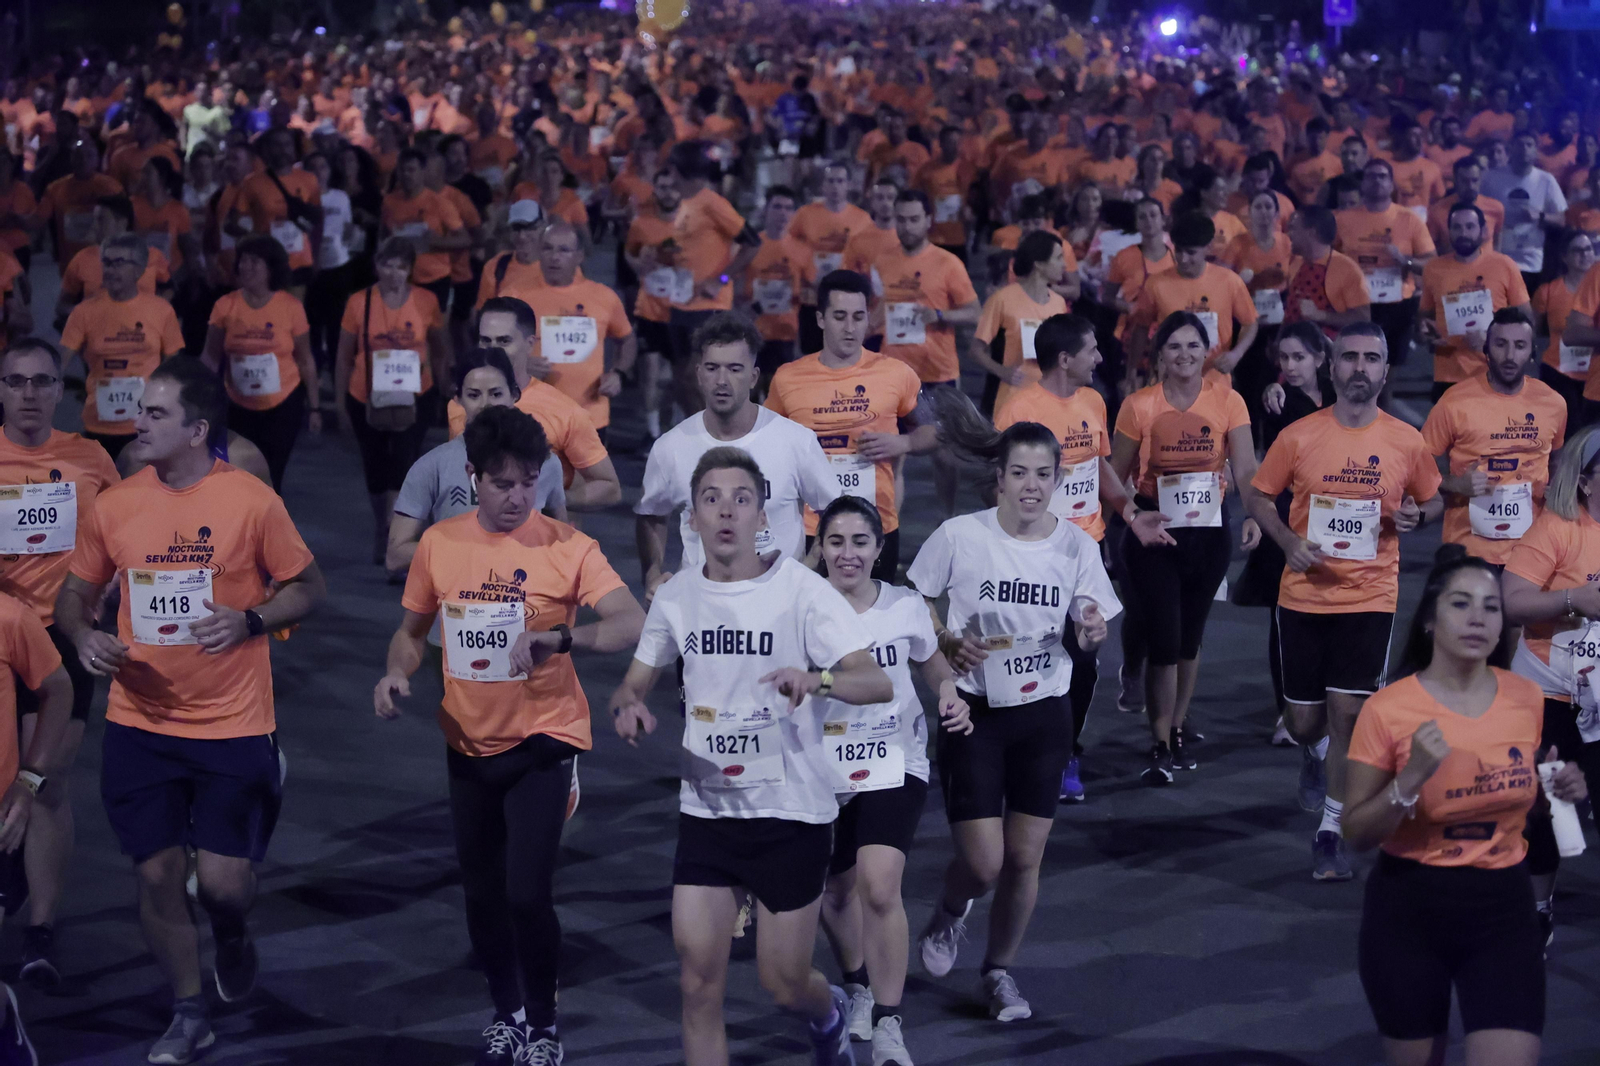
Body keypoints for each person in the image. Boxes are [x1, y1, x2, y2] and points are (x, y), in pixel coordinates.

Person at [53, 358, 326, 1064]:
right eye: (140, 410)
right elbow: (74, 594)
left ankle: (231, 933)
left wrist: (250, 620)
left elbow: (307, 586)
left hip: (232, 724)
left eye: (156, 414)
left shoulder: (250, 501)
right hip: (139, 724)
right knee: (155, 876)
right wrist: (84, 636)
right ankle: (187, 1009)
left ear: (198, 430)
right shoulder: (116, 505)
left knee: (225, 890)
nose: (137, 422)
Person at [376, 404, 645, 1066]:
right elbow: (410, 632)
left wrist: (562, 638)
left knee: (527, 893)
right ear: (473, 477)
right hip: (469, 742)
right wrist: (395, 673)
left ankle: (546, 1028)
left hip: (544, 739)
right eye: (502, 484)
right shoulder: (440, 544)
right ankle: (509, 1014)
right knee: (482, 894)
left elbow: (631, 621)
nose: (517, 497)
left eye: (529, 482)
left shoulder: (568, 547)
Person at [609, 446, 893, 1066]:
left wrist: (815, 680)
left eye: (741, 499)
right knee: (696, 985)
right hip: (708, 814)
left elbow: (876, 682)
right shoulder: (677, 598)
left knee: (783, 983)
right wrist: (629, 705)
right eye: (711, 499)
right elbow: (634, 683)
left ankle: (827, 1016)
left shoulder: (803, 592)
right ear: (692, 518)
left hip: (791, 815)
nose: (726, 511)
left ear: (762, 515)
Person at [909, 403, 1119, 1022]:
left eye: (1043, 474)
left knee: (1025, 858)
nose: (1031, 486)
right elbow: (914, 600)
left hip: (1044, 714)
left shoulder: (1075, 545)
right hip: (975, 713)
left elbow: (1092, 624)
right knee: (983, 863)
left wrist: (1091, 633)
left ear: (1059, 479)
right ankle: (950, 911)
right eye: (1019, 473)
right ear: (999, 478)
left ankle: (998, 973)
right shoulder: (960, 536)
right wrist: (945, 641)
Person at [1344, 547, 1584, 1066]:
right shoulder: (1388, 709)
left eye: (1491, 607)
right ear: (1429, 620)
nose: (1478, 618)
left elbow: (1520, 804)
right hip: (1410, 910)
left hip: (1503, 909)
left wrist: (1555, 791)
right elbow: (1356, 833)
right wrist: (1410, 779)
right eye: (1460, 604)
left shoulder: (1525, 698)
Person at [1244, 321, 1444, 881]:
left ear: (1385, 370)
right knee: (1306, 722)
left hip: (1371, 595)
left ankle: (1330, 829)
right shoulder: (1299, 436)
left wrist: (1418, 516)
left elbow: (1432, 501)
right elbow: (1258, 495)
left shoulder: (1406, 440)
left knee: (1350, 713)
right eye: (1350, 357)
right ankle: (1313, 753)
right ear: (1332, 368)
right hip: (1304, 596)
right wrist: (1287, 542)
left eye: (1371, 358)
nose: (1360, 367)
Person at [812, 494, 972, 1066]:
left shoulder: (904, 605)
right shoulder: (800, 606)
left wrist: (950, 693)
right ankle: (856, 984)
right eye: (835, 542)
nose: (847, 554)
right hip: (824, 767)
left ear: (879, 549)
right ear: (819, 548)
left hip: (893, 757)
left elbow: (931, 662)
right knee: (835, 891)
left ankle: (887, 1022)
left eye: (860, 542)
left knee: (880, 886)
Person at [993, 313, 1171, 798]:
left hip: (1085, 552)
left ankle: (1065, 751)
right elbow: (999, 488)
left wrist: (1131, 513)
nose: (1099, 357)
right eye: (1092, 349)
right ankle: (1023, 751)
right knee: (1032, 655)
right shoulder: (1020, 410)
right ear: (1064, 359)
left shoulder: (1093, 400)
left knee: (1084, 660)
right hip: (1034, 556)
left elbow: (1099, 466)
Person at [0, 338, 120, 989]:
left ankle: (40, 930)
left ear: (58, 389)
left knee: (45, 781)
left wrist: (113, 588)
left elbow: (124, 534)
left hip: (63, 636)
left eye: (42, 381)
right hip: (1, 637)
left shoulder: (90, 457)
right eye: (16, 381)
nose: (29, 393)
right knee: (9, 778)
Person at [1114, 311, 1260, 783]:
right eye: (1174, 346)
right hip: (1154, 532)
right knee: (1164, 637)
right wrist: (1131, 516)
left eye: (1193, 346)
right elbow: (1114, 476)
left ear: (1207, 351)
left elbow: (1246, 469)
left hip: (1208, 534)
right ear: (1160, 355)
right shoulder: (1139, 405)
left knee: (1190, 638)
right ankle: (1158, 742)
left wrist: (1254, 513)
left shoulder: (1229, 401)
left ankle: (1176, 727)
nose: (1185, 355)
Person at [636, 314, 838, 604]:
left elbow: (835, 512)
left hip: (779, 606)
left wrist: (809, 568)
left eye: (734, 369)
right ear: (699, 374)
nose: (722, 381)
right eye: (712, 368)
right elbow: (651, 515)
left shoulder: (796, 441)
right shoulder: (670, 447)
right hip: (700, 605)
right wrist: (652, 572)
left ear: (753, 377)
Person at [765, 270, 934, 582]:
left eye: (858, 317)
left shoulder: (897, 373)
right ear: (820, 319)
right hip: (811, 529)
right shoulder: (787, 378)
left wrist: (905, 443)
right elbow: (763, 444)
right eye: (839, 316)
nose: (849, 327)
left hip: (875, 526)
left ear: (869, 318)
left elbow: (935, 430)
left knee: (873, 611)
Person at [1501, 424, 1600, 945]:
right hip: (1549, 694)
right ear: (1585, 482)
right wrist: (1572, 600)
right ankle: (1538, 907)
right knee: (1548, 808)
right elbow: (1512, 600)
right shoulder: (1558, 529)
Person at [389, 344, 567, 572]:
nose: (485, 405)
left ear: (514, 394)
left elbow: (561, 544)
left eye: (496, 394)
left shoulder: (546, 463)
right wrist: (474, 553)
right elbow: (396, 555)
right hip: (455, 592)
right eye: (474, 395)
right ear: (458, 398)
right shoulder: (432, 466)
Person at [335, 236, 451, 563]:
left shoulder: (427, 301)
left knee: (403, 461)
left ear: (410, 269)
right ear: (376, 266)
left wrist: (445, 388)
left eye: (401, 266)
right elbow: (344, 357)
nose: (394, 273)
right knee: (375, 466)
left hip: (416, 396)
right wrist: (341, 405)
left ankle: (393, 533)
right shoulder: (359, 302)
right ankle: (381, 525)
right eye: (388, 265)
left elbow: (440, 349)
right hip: (366, 395)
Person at [1246, 324, 1336, 744]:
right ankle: (1288, 711)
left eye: (1299, 357)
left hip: (1336, 517)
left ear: (1319, 358)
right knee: (1284, 618)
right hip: (1288, 518)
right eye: (1284, 358)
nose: (1290, 366)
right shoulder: (1277, 401)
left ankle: (1330, 704)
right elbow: (1266, 466)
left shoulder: (1340, 396)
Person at [1422, 309, 1566, 570]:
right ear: (1486, 350)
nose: (1510, 355)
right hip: (1468, 550)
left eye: (1519, 346)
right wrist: (1455, 483)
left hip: (1532, 549)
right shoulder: (1454, 402)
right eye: (1500, 344)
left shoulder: (1554, 404)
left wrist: (1556, 487)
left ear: (1532, 352)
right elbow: (1416, 468)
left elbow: (1557, 460)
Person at [868, 190, 979, 517]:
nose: (907, 226)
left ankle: (947, 519)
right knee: (892, 456)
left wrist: (940, 315)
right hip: (893, 374)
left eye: (914, 219)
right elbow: (877, 311)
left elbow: (975, 312)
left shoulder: (948, 263)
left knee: (944, 456)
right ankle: (889, 528)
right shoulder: (883, 261)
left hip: (937, 375)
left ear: (928, 220)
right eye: (901, 219)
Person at [200, 234, 319, 492]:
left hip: (282, 404)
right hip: (238, 404)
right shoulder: (225, 305)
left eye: (254, 262)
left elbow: (305, 359)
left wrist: (315, 407)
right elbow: (210, 357)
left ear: (271, 268)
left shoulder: (290, 307)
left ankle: (269, 515)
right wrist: (200, 398)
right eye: (243, 261)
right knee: (239, 473)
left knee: (272, 473)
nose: (246, 267)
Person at [58, 233, 185, 459]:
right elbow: (59, 363)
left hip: (147, 424)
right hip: (99, 423)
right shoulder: (83, 312)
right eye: (106, 262)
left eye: (118, 263)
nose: (110, 270)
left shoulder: (162, 311)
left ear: (139, 270)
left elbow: (174, 368)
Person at [513, 220, 636, 438]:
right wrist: (519, 365)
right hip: (532, 416)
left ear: (579, 256)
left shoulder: (604, 297)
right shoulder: (515, 296)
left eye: (563, 250)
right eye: (548, 248)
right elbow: (489, 348)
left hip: (589, 418)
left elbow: (627, 339)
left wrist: (618, 374)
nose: (554, 257)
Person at [1418, 203, 1532, 400]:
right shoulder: (1433, 268)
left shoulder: (1504, 265)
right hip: (1448, 374)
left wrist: (1490, 341)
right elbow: (1424, 319)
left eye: (1470, 227)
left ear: (1483, 231)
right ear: (1449, 231)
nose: (1463, 233)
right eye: (1457, 227)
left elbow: (1527, 321)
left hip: (1494, 373)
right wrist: (1426, 334)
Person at [1129, 212, 1259, 383]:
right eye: (1179, 251)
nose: (1183, 259)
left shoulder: (1229, 281)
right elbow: (1140, 327)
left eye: (1191, 252)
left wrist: (1236, 354)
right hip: (1170, 380)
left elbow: (1250, 323)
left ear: (1208, 247)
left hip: (1215, 380)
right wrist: (1132, 370)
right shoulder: (1155, 284)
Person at [1334, 159, 1436, 369]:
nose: (1377, 181)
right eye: (1371, 176)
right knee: (1357, 363)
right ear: (1363, 184)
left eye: (1382, 176)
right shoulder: (1342, 219)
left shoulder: (1409, 219)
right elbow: (1327, 259)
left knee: (1389, 367)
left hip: (1399, 303)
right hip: (1357, 303)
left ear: (1391, 184)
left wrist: (1406, 261)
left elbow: (1432, 265)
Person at [970, 231, 1073, 417]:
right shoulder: (1002, 299)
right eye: (1058, 258)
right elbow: (976, 350)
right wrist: (1002, 371)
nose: (1064, 265)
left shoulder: (1059, 303)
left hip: (1048, 400)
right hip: (1011, 401)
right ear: (1039, 264)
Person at [786, 162, 873, 355]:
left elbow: (868, 257)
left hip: (847, 300)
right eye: (831, 181)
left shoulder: (862, 219)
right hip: (812, 298)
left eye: (840, 181)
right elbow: (788, 246)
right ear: (823, 185)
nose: (835, 186)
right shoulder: (805, 214)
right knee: (811, 355)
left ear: (848, 185)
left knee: (843, 354)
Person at [230, 127, 322, 294]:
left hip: (300, 261)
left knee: (294, 308)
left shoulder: (309, 179)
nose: (283, 149)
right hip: (266, 262)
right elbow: (231, 223)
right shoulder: (252, 183)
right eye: (277, 145)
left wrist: (316, 255)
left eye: (287, 144)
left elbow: (317, 219)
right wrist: (254, 238)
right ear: (268, 149)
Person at [1481, 130, 1567, 293]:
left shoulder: (1546, 180)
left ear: (1536, 150)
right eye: (1520, 145)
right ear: (1511, 148)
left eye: (1529, 145)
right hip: (1498, 255)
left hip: (1531, 259)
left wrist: (1541, 216)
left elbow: (1562, 219)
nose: (1525, 149)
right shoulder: (1491, 178)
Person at [744, 184, 811, 389]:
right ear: (766, 209)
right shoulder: (750, 247)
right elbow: (727, 280)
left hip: (786, 334)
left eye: (788, 208)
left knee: (777, 392)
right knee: (750, 392)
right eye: (777, 207)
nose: (783, 213)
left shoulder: (802, 250)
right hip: (752, 332)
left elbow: (812, 291)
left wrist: (798, 297)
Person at [1528, 229, 1594, 432]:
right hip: (1558, 371)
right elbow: (1531, 330)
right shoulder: (1547, 291)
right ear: (1564, 257)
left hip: (1593, 374)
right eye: (1578, 250)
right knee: (1568, 432)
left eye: (1589, 249)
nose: (1585, 254)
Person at [1281, 206, 1372, 338]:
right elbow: (1290, 311)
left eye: (1294, 228)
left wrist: (1321, 315)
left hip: (1330, 347)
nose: (1289, 235)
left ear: (1311, 232)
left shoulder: (1347, 269)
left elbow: (1363, 319)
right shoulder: (1295, 263)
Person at [476, 200, 546, 308]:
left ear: (543, 227)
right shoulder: (495, 267)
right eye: (516, 228)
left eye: (529, 228)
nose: (522, 236)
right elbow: (483, 312)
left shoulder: (558, 265)